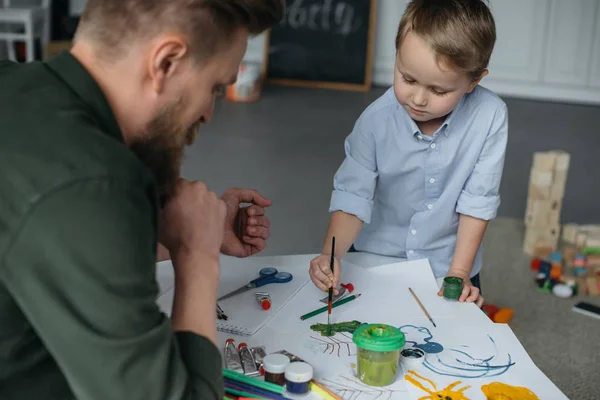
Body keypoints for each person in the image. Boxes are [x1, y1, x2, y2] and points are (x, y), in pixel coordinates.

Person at [0, 1, 283, 399]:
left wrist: (181, 227)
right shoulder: (92, 187)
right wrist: (197, 257)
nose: (208, 113)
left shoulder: (15, 86)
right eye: (215, 87)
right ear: (166, 62)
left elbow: (49, 241)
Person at [309, 0, 507, 308]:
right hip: (378, 258)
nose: (417, 98)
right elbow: (353, 196)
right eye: (407, 78)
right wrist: (331, 255)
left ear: (473, 81)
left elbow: (477, 199)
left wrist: (458, 273)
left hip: (450, 265)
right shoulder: (374, 122)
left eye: (439, 91)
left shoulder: (490, 116)